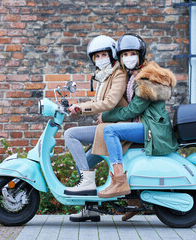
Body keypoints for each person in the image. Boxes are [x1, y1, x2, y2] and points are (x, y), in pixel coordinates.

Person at [96, 34, 179, 220]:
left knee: (110, 131)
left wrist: (105, 116)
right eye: (124, 54)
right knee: (122, 149)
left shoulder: (147, 79)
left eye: (132, 53)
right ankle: (134, 202)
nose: (128, 57)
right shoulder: (132, 75)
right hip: (145, 126)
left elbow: (132, 111)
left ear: (140, 55)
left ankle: (119, 181)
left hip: (153, 130)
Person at [63, 35, 130, 222]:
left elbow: (110, 102)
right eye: (97, 56)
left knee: (71, 135)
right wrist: (79, 107)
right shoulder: (102, 77)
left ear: (112, 55)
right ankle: (91, 209)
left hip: (115, 129)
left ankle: (87, 184)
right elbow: (96, 102)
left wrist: (83, 108)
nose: (100, 58)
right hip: (105, 127)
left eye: (104, 54)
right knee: (83, 162)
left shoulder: (118, 74)